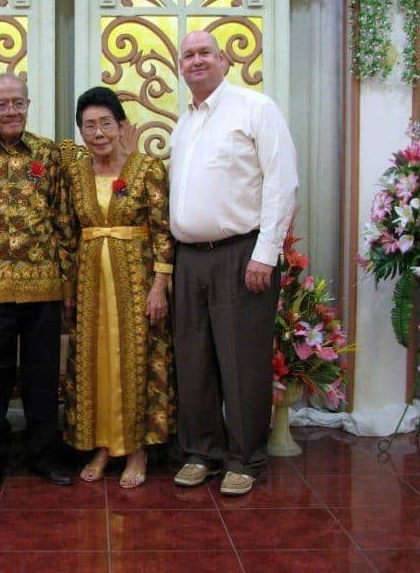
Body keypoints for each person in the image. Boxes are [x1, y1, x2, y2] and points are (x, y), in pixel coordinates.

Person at [169, 30, 298, 495]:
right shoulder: (183, 123)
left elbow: (282, 183)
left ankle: (245, 457)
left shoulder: (254, 108)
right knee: (194, 359)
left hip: (242, 255)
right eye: (188, 55)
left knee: (242, 361)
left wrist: (266, 253)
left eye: (205, 52)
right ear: (179, 66)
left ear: (224, 60)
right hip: (190, 259)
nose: (196, 60)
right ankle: (201, 451)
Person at [0, 73, 76, 491]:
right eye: (2, 103)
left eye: (18, 102)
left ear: (28, 104)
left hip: (43, 287)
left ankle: (44, 455)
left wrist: (67, 285)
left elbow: (62, 222)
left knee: (43, 380)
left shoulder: (48, 154)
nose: (11, 111)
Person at [61, 86, 175, 489]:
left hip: (136, 283)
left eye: (105, 123)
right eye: (88, 125)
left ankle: (136, 449)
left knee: (134, 361)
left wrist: (160, 285)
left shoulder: (147, 168)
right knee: (95, 363)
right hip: (91, 284)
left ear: (121, 125)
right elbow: (67, 231)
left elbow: (163, 231)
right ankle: (102, 445)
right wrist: (68, 288)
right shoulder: (74, 172)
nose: (97, 133)